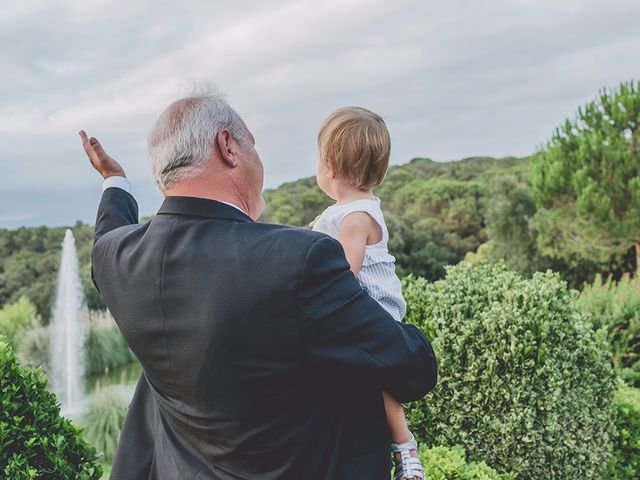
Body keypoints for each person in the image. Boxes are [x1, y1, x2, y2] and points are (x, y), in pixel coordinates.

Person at [81, 87, 437, 480]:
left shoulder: (116, 260)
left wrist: (114, 181)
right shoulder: (298, 260)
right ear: (228, 146)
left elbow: (107, 235)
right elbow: (409, 366)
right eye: (253, 144)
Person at [311, 107, 425, 480]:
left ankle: (404, 446)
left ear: (328, 165)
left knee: (380, 381)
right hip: (364, 303)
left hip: (375, 306)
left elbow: (345, 273)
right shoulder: (346, 211)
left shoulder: (356, 218)